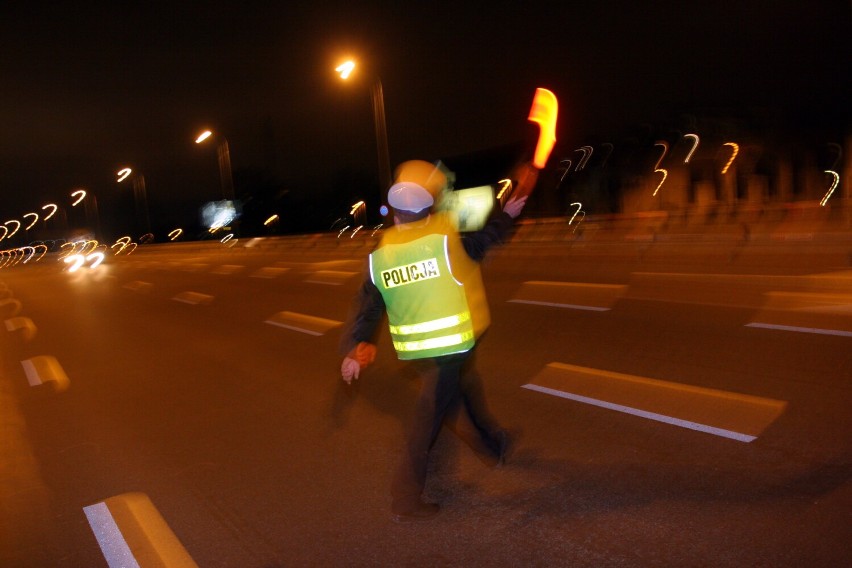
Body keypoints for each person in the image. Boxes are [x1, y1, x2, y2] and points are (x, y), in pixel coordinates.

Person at [340, 159, 535, 522]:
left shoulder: (380, 258)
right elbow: (486, 239)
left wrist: (357, 348)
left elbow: (369, 307)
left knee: (466, 388)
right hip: (451, 347)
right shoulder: (444, 244)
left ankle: (494, 445)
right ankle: (406, 499)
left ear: (395, 216)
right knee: (427, 423)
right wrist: (508, 212)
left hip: (420, 354)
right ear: (427, 213)